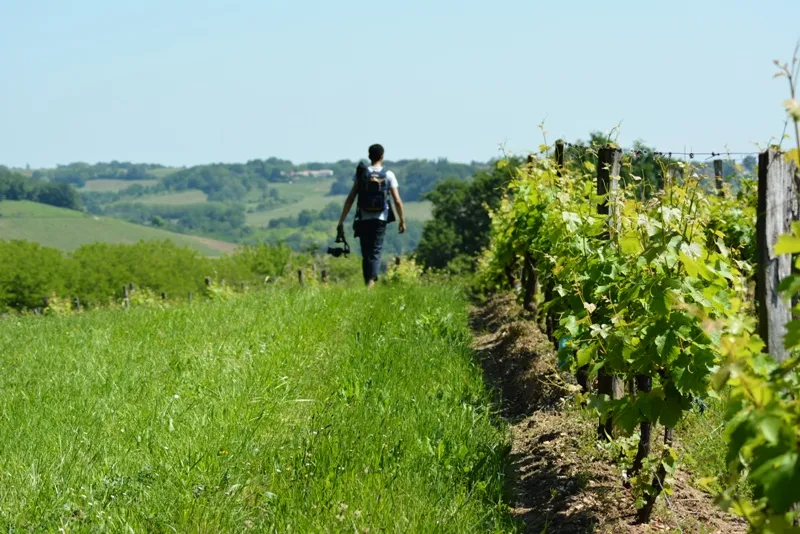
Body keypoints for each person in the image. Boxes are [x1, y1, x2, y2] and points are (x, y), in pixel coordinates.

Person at [337, 144, 406, 287]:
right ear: (382, 156)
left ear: (369, 156)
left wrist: (341, 221)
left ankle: (368, 284)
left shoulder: (361, 173)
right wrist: (402, 220)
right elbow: (397, 201)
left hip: (363, 218)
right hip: (380, 219)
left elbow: (350, 198)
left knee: (366, 253)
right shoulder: (389, 175)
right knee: (375, 251)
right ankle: (370, 283)